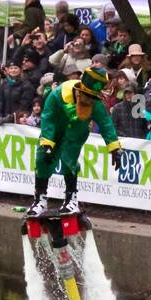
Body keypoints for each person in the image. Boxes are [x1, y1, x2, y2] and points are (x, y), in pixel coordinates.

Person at [28, 66, 124, 218]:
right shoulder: (57, 95)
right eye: (86, 95)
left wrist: (114, 148)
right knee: (42, 160)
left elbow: (106, 124)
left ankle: (71, 199)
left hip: (76, 133)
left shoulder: (95, 103)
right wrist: (47, 144)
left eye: (93, 96)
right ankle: (39, 200)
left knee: (69, 161)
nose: (89, 100)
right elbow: (47, 117)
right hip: (54, 131)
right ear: (79, 90)